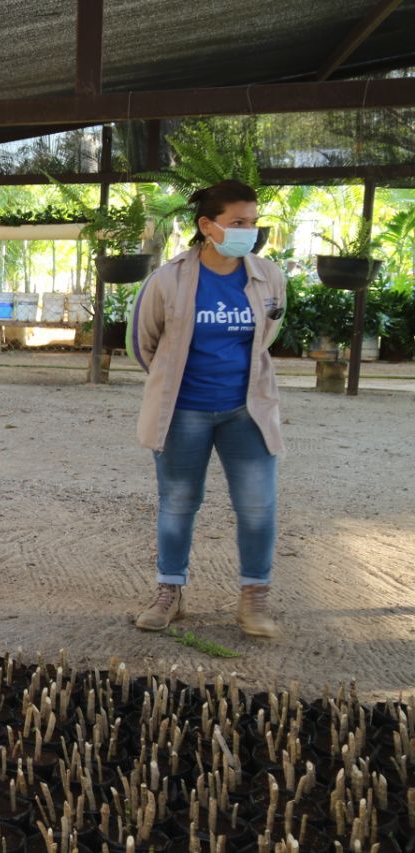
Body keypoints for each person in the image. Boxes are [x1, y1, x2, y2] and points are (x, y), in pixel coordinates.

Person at [128, 179, 287, 638]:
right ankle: (169, 593)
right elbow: (145, 344)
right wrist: (172, 382)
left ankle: (254, 599)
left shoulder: (268, 276)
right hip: (183, 412)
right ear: (207, 225)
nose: (249, 232)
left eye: (253, 223)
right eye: (238, 223)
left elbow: (269, 334)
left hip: (247, 412)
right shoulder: (168, 279)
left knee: (258, 507)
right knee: (178, 504)